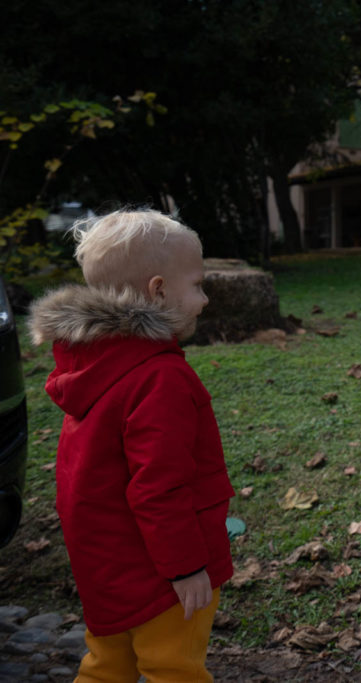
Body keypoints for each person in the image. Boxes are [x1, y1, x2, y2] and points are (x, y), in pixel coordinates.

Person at [28, 208, 234, 682]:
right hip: (162, 578)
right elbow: (158, 488)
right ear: (158, 290)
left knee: (107, 666)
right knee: (173, 669)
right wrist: (186, 570)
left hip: (107, 572)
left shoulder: (89, 368)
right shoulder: (159, 378)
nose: (203, 300)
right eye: (198, 285)